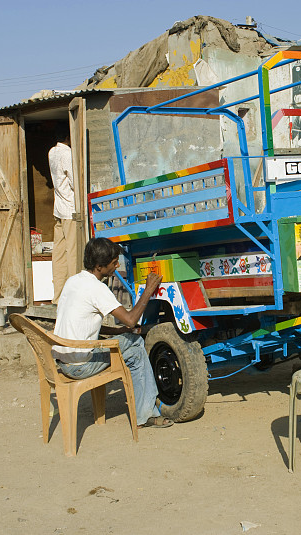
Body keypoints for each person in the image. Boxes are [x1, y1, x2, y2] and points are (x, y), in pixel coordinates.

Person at [53, 237, 173, 428]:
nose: (117, 266)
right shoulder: (97, 288)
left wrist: (119, 330)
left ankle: (146, 411)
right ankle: (146, 410)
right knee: (135, 341)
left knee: (134, 355)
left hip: (63, 359)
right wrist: (149, 290)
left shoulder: (73, 281)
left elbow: (86, 324)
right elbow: (131, 319)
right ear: (100, 266)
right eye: (113, 263)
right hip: (79, 365)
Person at [48, 124, 77, 304]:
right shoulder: (67, 154)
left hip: (58, 208)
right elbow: (75, 182)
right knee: (72, 253)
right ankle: (73, 297)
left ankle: (58, 297)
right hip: (70, 209)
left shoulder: (52, 152)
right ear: (68, 136)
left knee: (58, 254)